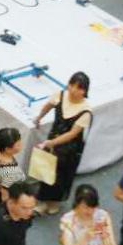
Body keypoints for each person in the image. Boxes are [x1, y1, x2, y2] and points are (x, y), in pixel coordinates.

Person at [33, 72, 92, 214]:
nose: (73, 90)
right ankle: (42, 201)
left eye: (79, 88)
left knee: (61, 176)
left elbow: (72, 134)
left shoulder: (85, 112)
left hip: (69, 149)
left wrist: (52, 142)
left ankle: (54, 203)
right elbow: (48, 105)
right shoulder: (60, 95)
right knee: (46, 171)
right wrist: (39, 117)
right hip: (53, 139)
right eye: (71, 85)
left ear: (85, 91)